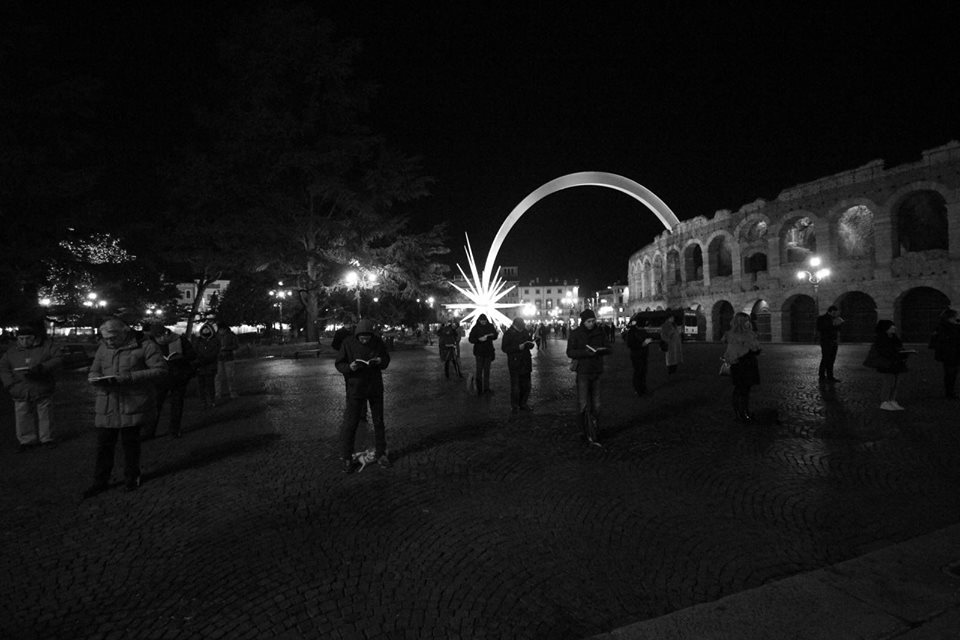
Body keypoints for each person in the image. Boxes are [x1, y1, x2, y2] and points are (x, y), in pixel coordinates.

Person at [83, 318, 167, 498]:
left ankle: (132, 477)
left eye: (113, 338)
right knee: (104, 446)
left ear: (124, 332)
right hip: (108, 403)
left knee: (130, 445)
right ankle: (100, 481)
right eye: (106, 338)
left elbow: (160, 370)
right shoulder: (103, 347)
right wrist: (94, 378)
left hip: (133, 403)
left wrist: (129, 377)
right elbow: (95, 369)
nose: (109, 342)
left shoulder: (146, 345)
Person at [335, 319, 391, 473]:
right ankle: (347, 456)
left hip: (374, 387)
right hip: (356, 388)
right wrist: (349, 367)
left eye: (367, 338)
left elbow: (386, 360)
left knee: (378, 422)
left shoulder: (377, 342)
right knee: (351, 423)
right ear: (357, 335)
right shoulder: (348, 343)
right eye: (362, 338)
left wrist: (380, 361)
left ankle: (381, 453)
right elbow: (339, 363)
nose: (365, 341)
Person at [0, 323, 63, 451]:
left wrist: (42, 368)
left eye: (28, 338)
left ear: (34, 338)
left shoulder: (45, 347)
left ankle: (46, 438)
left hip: (39, 385)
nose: (24, 342)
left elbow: (58, 358)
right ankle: (28, 441)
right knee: (24, 414)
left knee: (44, 414)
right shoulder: (12, 352)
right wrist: (10, 384)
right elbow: (4, 368)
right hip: (21, 387)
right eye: (21, 339)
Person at [141, 322, 196, 439]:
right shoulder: (151, 342)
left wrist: (181, 358)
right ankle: (150, 431)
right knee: (155, 406)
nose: (160, 338)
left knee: (176, 405)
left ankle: (174, 430)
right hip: (161, 378)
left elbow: (192, 354)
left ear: (166, 332)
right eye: (157, 336)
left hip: (178, 376)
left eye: (161, 335)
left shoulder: (180, 340)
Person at [566, 309, 610, 446]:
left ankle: (594, 430)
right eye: (589, 321)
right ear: (583, 322)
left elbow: (609, 347)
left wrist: (601, 350)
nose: (591, 323)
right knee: (583, 404)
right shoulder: (576, 333)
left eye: (593, 321)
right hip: (583, 371)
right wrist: (585, 353)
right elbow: (570, 352)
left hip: (596, 370)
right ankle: (584, 431)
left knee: (597, 404)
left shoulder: (600, 332)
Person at [721, 312, 762, 422]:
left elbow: (730, 352)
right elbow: (756, 349)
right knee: (745, 390)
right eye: (746, 320)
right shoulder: (747, 335)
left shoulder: (730, 334)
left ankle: (738, 413)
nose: (748, 322)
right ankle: (744, 413)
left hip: (736, 365)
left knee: (738, 389)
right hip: (747, 365)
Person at [868, 320, 911, 411]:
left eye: (893, 326)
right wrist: (896, 353)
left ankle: (892, 400)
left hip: (897, 362)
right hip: (887, 364)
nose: (894, 328)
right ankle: (884, 402)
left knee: (896, 383)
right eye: (891, 327)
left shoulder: (894, 337)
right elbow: (884, 352)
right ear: (885, 329)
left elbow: (899, 347)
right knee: (888, 382)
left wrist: (905, 353)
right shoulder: (881, 339)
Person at [501, 317, 535, 413]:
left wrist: (531, 344)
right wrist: (518, 347)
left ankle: (523, 404)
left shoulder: (524, 331)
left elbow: (529, 341)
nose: (522, 329)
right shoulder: (508, 333)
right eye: (520, 327)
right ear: (516, 325)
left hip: (526, 361)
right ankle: (515, 406)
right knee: (516, 386)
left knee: (526, 386)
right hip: (515, 363)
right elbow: (504, 348)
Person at [929, 308, 960, 399]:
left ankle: (950, 391)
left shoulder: (944, 326)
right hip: (950, 352)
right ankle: (950, 392)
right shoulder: (946, 327)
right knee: (951, 373)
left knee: (951, 372)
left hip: (950, 352)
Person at [468, 314, 499, 396]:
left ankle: (486, 388)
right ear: (479, 320)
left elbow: (495, 335)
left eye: (484, 321)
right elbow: (470, 339)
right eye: (482, 321)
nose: (483, 322)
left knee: (487, 371)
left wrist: (491, 336)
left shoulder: (490, 326)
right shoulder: (475, 328)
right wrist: (479, 339)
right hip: (479, 352)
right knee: (479, 371)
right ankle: (479, 389)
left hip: (488, 352)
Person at [623, 314, 653, 396]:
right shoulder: (632, 332)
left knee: (643, 372)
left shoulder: (642, 331)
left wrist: (648, 340)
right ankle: (638, 389)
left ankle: (643, 388)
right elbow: (630, 344)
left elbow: (648, 337)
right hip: (636, 355)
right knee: (638, 372)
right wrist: (642, 344)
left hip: (644, 354)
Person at [192, 322, 220, 408]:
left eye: (207, 329)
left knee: (210, 384)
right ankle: (203, 402)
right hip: (200, 366)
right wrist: (199, 360)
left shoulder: (214, 340)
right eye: (204, 329)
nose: (206, 331)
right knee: (201, 386)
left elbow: (215, 352)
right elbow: (194, 351)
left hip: (210, 365)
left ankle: (212, 400)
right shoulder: (198, 341)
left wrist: (207, 359)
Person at [816, 305, 844, 382]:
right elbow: (820, 328)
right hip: (826, 341)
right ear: (830, 311)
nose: (835, 314)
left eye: (836, 313)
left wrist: (840, 324)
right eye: (834, 313)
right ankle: (822, 376)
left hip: (834, 341)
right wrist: (833, 325)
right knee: (825, 358)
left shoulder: (835, 318)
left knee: (832, 359)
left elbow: (838, 330)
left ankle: (830, 376)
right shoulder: (822, 318)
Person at [216, 322, 239, 401]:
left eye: (221, 329)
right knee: (219, 377)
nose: (220, 331)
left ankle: (232, 392)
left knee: (230, 376)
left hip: (228, 358)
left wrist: (226, 348)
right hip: (220, 358)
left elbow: (236, 345)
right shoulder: (218, 336)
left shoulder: (231, 335)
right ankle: (218, 393)